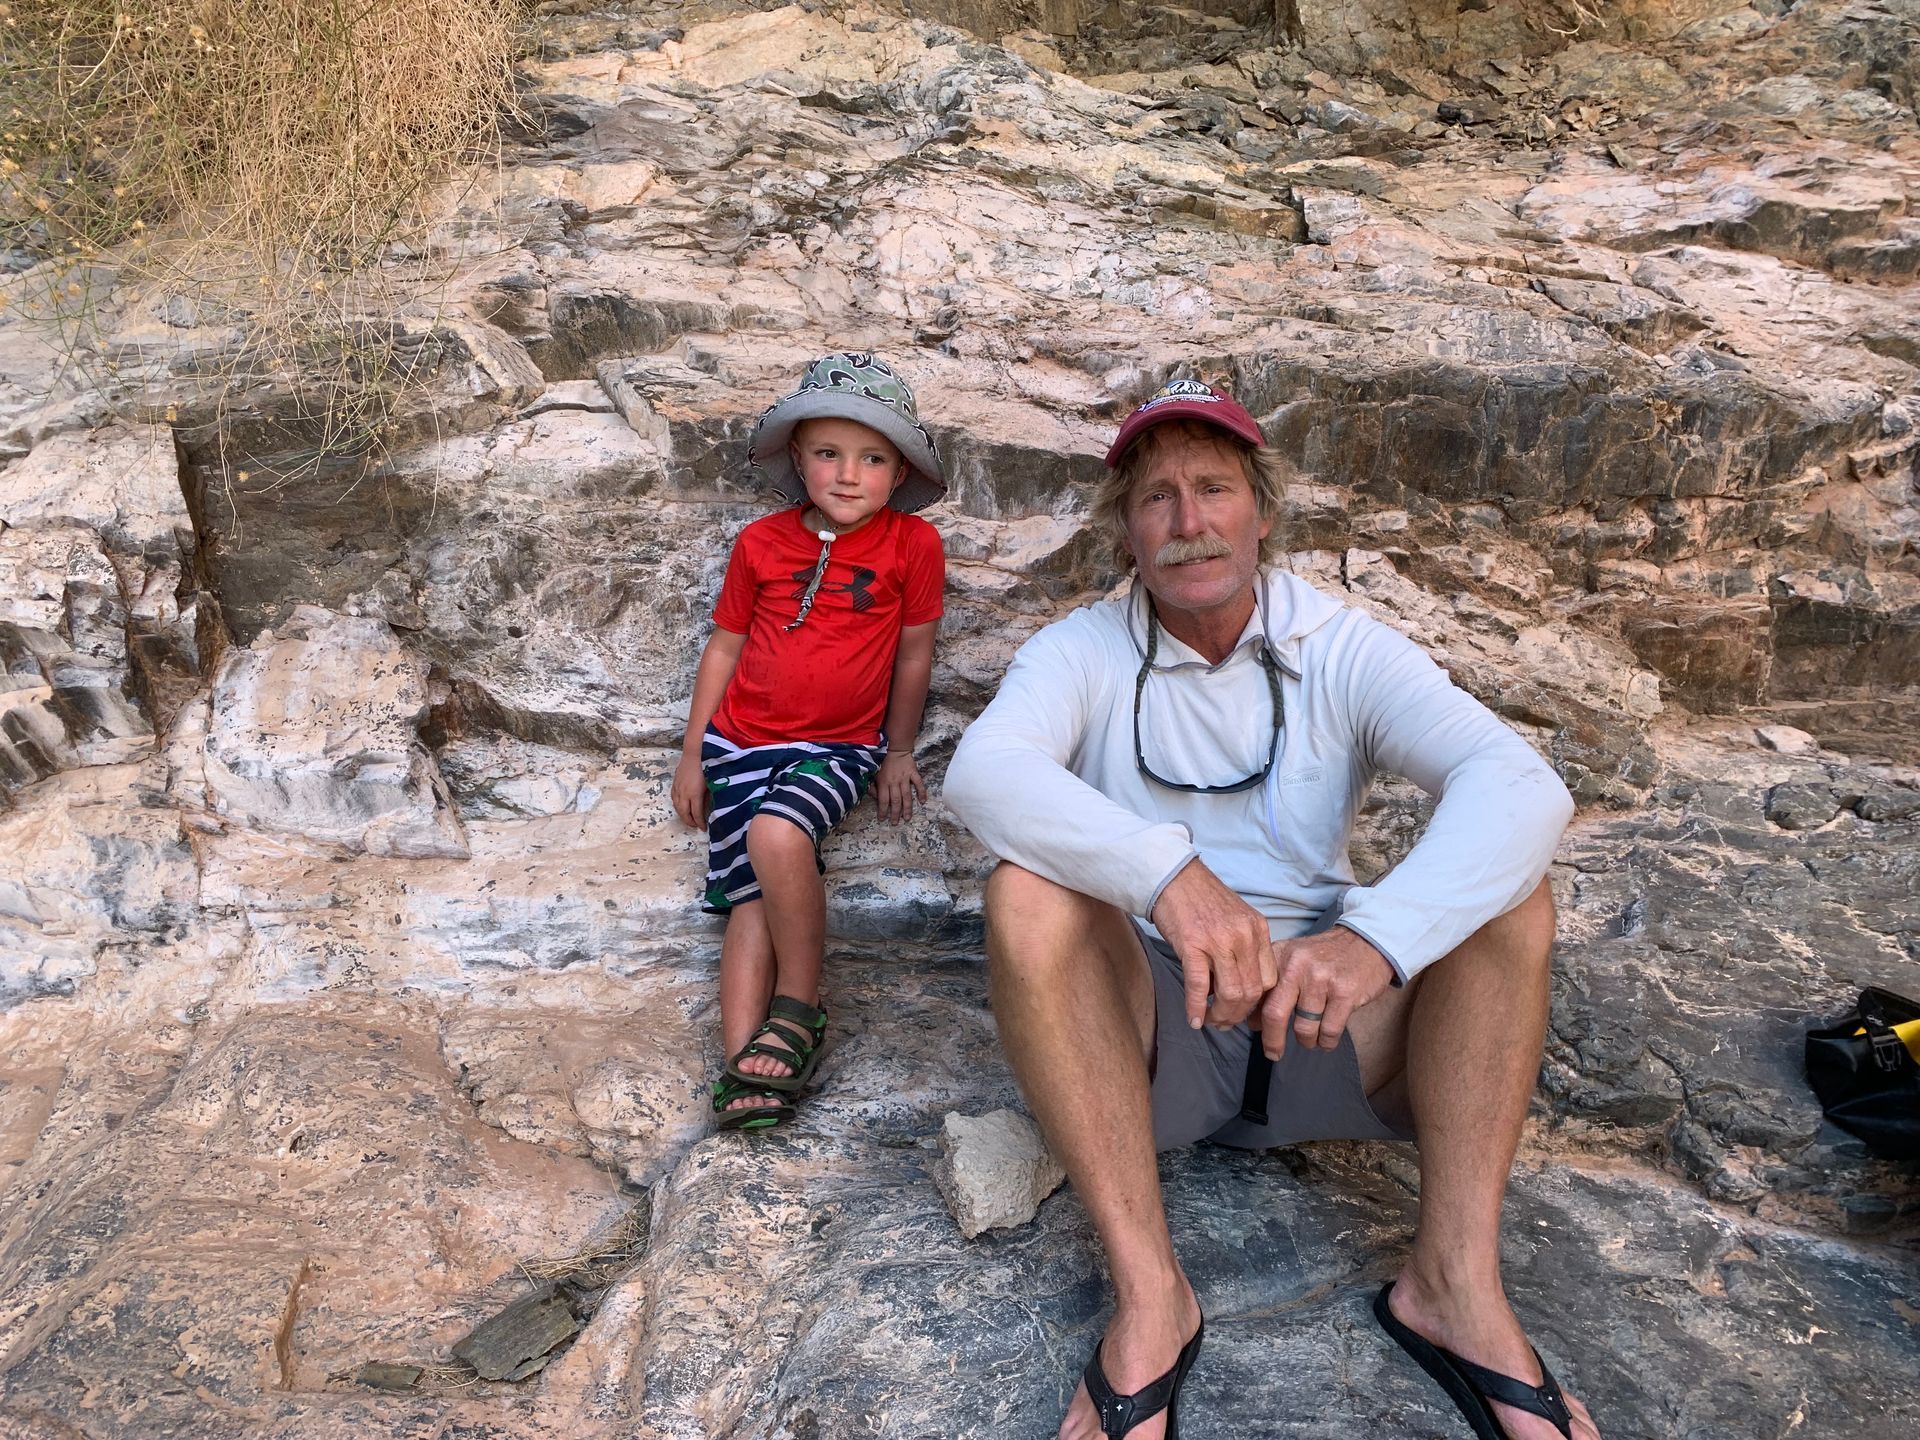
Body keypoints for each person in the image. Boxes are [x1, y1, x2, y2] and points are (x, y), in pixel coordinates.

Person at [943, 377, 1599, 1440]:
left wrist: (1376, 941)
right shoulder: (1080, 651)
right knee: (1026, 895)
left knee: (1510, 899)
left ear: (1262, 509)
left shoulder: (1341, 646)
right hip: (1159, 1040)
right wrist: (1170, 879)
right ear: (1126, 532)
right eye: (1156, 498)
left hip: (1336, 1026)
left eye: (1213, 488)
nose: (1189, 522)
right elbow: (985, 774)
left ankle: (1453, 1287)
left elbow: (1520, 785)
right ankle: (1153, 1301)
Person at [672, 352, 946, 1131]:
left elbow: (915, 653)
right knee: (746, 901)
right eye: (828, 452)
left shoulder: (911, 548)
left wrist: (897, 750)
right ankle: (743, 1065)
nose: (849, 474)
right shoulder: (761, 544)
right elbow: (724, 647)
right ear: (799, 458)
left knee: (777, 832)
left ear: (898, 472)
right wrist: (694, 753)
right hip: (738, 743)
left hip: (839, 748)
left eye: (873, 458)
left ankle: (800, 1003)